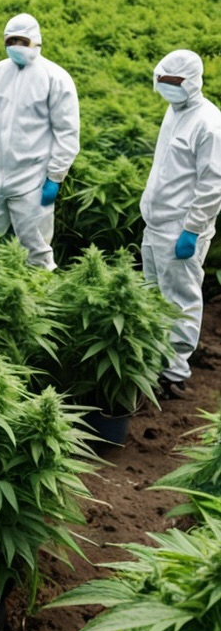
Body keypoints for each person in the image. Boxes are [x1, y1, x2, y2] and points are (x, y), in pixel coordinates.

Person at [140, 49, 221, 398]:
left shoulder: (208, 122)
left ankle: (173, 373)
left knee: (180, 300)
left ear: (192, 83)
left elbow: (213, 182)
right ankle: (154, 359)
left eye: (175, 82)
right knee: (154, 296)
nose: (167, 87)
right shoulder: (174, 112)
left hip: (180, 229)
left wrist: (192, 228)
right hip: (156, 223)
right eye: (163, 80)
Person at [0, 12, 80, 270]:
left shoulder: (55, 78)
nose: (16, 47)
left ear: (36, 41)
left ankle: (37, 300)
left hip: (32, 180)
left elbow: (67, 132)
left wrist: (55, 177)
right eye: (10, 42)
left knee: (36, 250)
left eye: (22, 41)